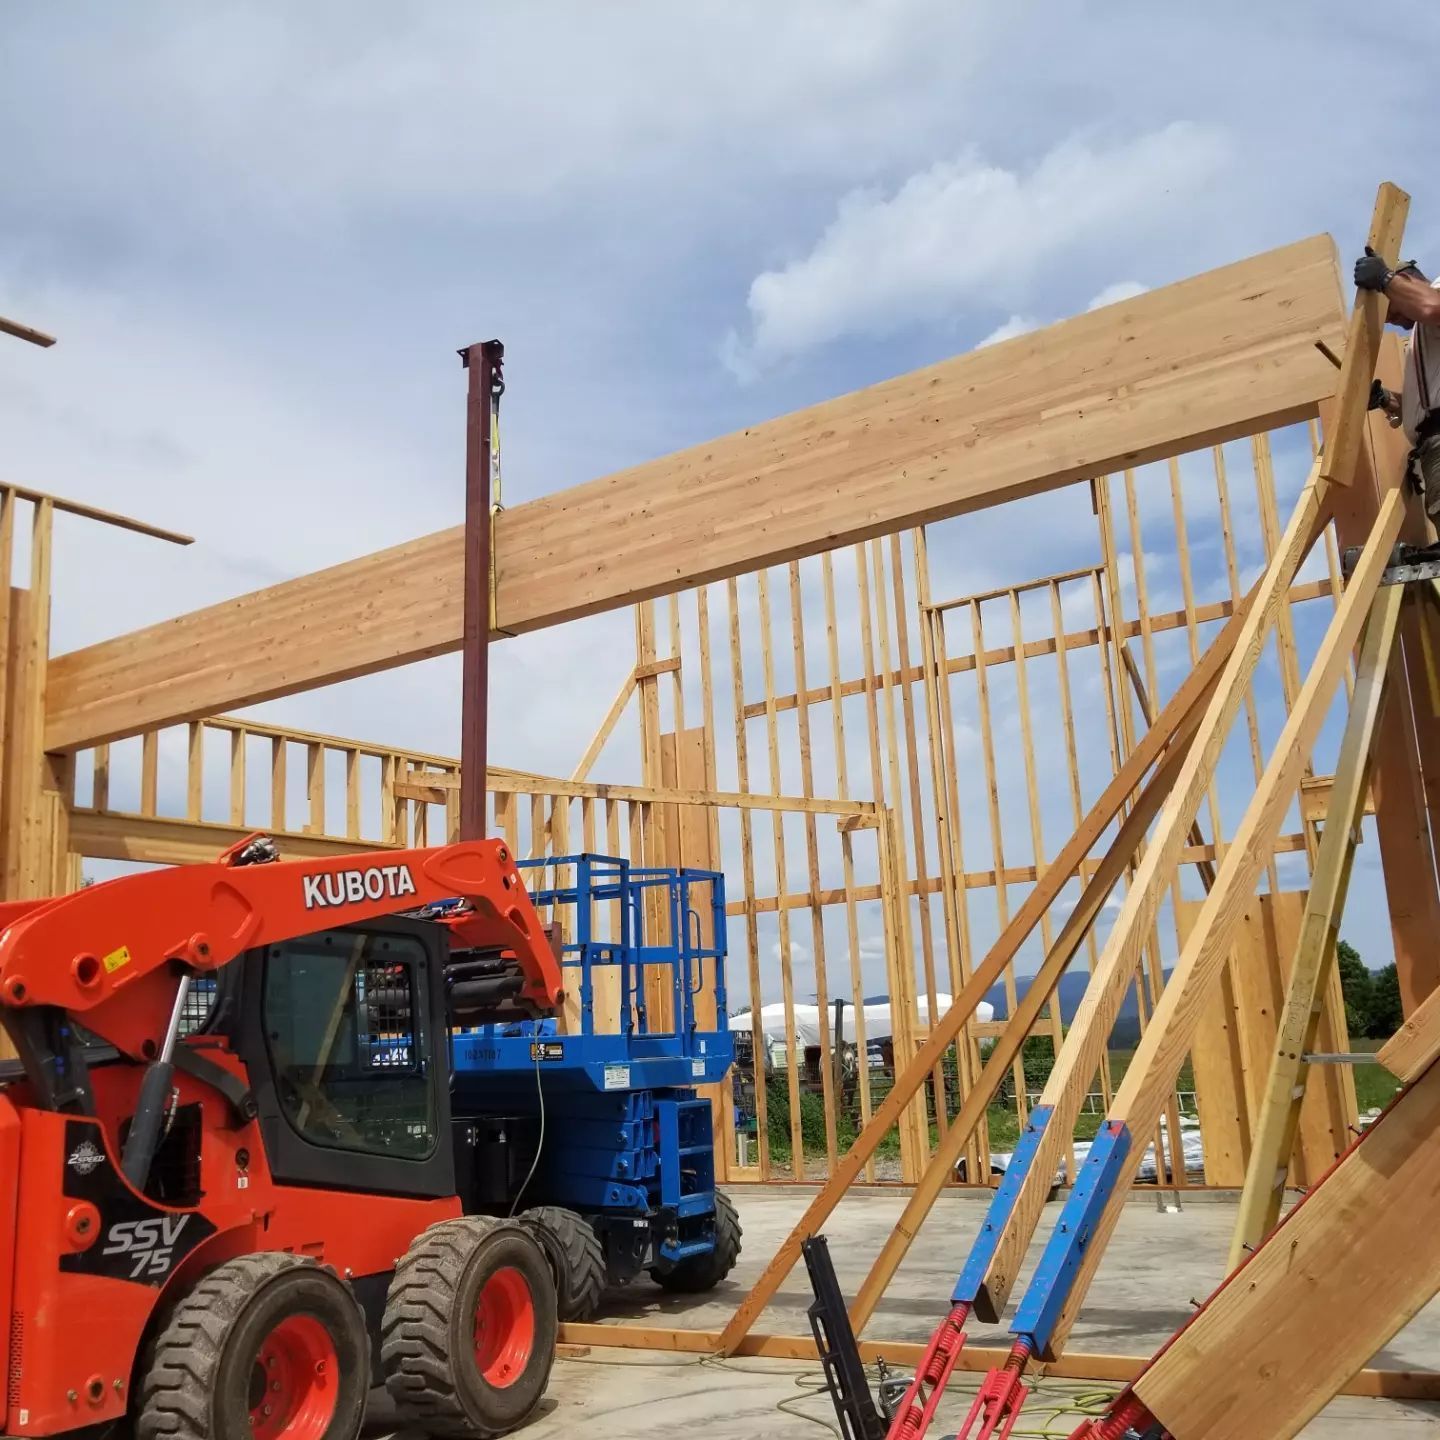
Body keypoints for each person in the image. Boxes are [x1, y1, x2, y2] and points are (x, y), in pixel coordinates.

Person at [1354, 247, 1440, 521]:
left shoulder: (1435, 293)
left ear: (1409, 279)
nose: (1395, 321)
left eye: (1393, 310)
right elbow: (1427, 406)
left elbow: (1432, 307)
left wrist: (1384, 279)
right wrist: (1384, 398)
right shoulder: (1421, 339)